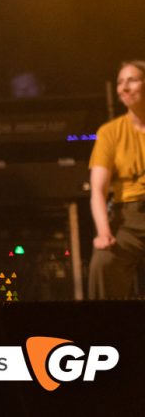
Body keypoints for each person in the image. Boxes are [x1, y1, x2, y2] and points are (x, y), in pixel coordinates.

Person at [87, 60, 145, 299]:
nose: (124, 88)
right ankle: (104, 331)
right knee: (103, 264)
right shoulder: (110, 132)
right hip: (129, 219)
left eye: (131, 80)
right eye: (120, 82)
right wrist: (104, 232)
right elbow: (98, 190)